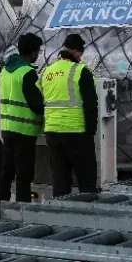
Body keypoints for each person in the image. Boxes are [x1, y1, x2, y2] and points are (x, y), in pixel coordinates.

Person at [39, 33, 99, 197]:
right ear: (74, 51)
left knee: (60, 180)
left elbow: (40, 99)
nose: (80, 57)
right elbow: (91, 105)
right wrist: (91, 131)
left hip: (53, 133)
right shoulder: (81, 71)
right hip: (76, 133)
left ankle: (60, 210)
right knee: (86, 180)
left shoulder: (46, 72)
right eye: (80, 53)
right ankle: (89, 209)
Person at [0, 33, 45, 203]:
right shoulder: (27, 73)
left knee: (7, 173)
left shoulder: (6, 70)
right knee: (23, 176)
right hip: (24, 131)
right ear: (33, 53)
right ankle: (22, 211)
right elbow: (36, 104)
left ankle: (0, 208)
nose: (38, 55)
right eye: (38, 51)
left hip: (7, 128)